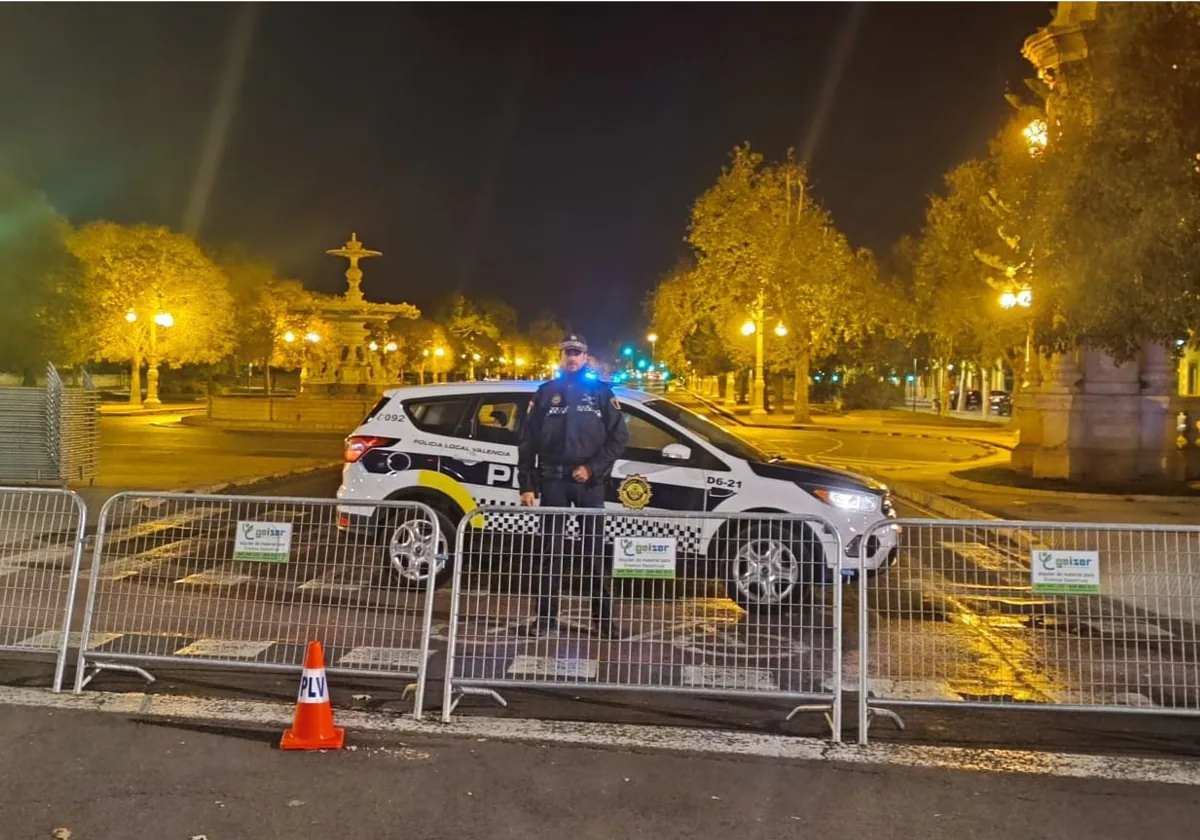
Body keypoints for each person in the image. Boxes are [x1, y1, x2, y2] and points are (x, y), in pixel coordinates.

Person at [517, 332, 630, 637]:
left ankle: (604, 621)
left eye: (576, 353)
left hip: (588, 482)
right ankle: (545, 619)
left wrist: (592, 468)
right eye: (567, 352)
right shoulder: (544, 393)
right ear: (561, 356)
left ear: (585, 356)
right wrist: (527, 484)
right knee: (550, 553)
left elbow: (619, 438)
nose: (571, 357)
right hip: (552, 479)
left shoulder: (601, 393)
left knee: (593, 554)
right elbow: (527, 442)